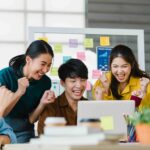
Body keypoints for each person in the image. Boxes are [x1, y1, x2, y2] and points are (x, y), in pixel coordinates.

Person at [0, 40, 55, 143]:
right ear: (28, 59)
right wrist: (19, 92)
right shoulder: (4, 75)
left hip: (25, 133)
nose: (45, 70)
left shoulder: (45, 82)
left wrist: (42, 103)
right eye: (43, 64)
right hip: (3, 132)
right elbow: (1, 112)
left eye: (48, 65)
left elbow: (32, 119)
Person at [37, 59, 88, 135]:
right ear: (63, 83)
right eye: (73, 81)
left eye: (83, 80)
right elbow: (43, 136)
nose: (79, 85)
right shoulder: (51, 107)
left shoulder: (89, 105)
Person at [92, 44, 150, 109]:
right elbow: (100, 110)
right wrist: (106, 90)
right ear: (110, 65)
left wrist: (144, 93)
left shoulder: (144, 84)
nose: (119, 71)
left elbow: (146, 114)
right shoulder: (103, 81)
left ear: (132, 65)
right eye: (115, 66)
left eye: (124, 66)